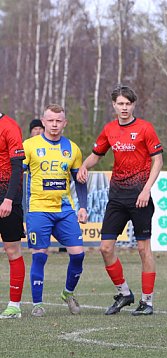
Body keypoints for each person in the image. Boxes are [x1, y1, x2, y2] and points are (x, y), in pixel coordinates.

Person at [77, 85, 163, 316]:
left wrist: (146, 190)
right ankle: (124, 293)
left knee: (143, 249)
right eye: (120, 104)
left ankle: (147, 301)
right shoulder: (109, 129)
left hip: (140, 198)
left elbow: (158, 161)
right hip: (116, 198)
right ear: (114, 105)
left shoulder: (145, 128)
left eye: (128, 104)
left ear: (133, 105)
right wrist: (84, 166)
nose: (124, 108)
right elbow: (96, 155)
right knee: (105, 248)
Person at [23, 104, 88, 317]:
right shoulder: (29, 146)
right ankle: (37, 304)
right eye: (50, 120)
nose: (54, 124)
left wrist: (83, 206)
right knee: (40, 256)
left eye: (58, 121)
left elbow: (80, 180)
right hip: (38, 210)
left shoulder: (72, 148)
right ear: (43, 122)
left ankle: (67, 293)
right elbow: (16, 174)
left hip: (65, 210)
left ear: (64, 123)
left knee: (78, 255)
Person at [0, 113, 26, 319]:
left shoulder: (9, 126)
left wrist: (8, 199)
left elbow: (18, 167)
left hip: (7, 198)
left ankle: (14, 305)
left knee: (12, 249)